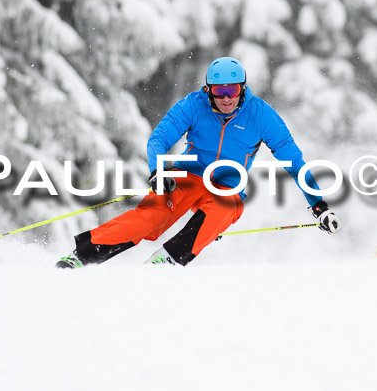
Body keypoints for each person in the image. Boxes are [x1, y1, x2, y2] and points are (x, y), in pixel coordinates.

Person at [56, 57, 341, 268]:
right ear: (209, 90)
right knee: (151, 217)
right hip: (188, 176)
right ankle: (81, 256)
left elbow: (294, 162)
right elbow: (159, 139)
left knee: (225, 208)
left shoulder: (261, 115)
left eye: (232, 91)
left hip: (227, 186)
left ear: (242, 89)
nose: (226, 98)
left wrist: (319, 206)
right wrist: (157, 170)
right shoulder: (194, 105)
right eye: (219, 91)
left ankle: (165, 262)